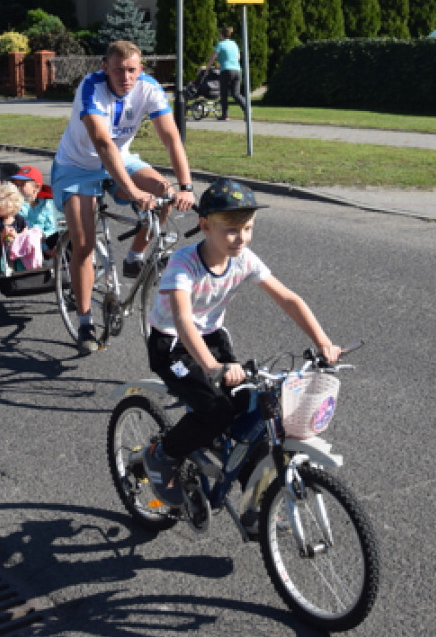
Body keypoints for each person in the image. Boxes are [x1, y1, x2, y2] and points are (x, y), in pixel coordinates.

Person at [141, 177, 342, 508]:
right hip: (173, 344)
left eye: (247, 228)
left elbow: (288, 298)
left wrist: (323, 342)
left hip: (213, 339)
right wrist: (212, 367)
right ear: (205, 226)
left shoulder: (244, 259)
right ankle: (162, 454)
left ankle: (254, 490)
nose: (241, 238)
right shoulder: (184, 263)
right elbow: (182, 321)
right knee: (216, 410)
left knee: (254, 405)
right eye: (231, 230)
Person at [52, 40, 196, 356]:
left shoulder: (149, 87)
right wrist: (131, 191)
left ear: (140, 69)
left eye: (132, 70)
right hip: (77, 168)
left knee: (164, 193)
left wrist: (185, 185)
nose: (126, 77)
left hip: (122, 159)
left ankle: (134, 257)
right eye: (118, 70)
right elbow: (102, 143)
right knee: (84, 244)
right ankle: (86, 321)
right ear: (105, 67)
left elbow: (171, 137)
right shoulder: (91, 87)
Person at [10, 164, 60, 253]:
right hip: (26, 243)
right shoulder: (16, 206)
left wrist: (44, 237)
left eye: (22, 184)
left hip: (46, 240)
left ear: (36, 187)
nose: (18, 188)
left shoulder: (46, 204)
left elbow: (52, 226)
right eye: (16, 184)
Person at [205, 27, 246, 121]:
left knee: (223, 94)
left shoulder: (220, 45)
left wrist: (207, 69)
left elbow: (212, 57)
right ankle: (246, 109)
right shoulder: (234, 44)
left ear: (222, 35)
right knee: (236, 94)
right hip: (237, 70)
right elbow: (238, 57)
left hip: (226, 71)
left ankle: (225, 115)